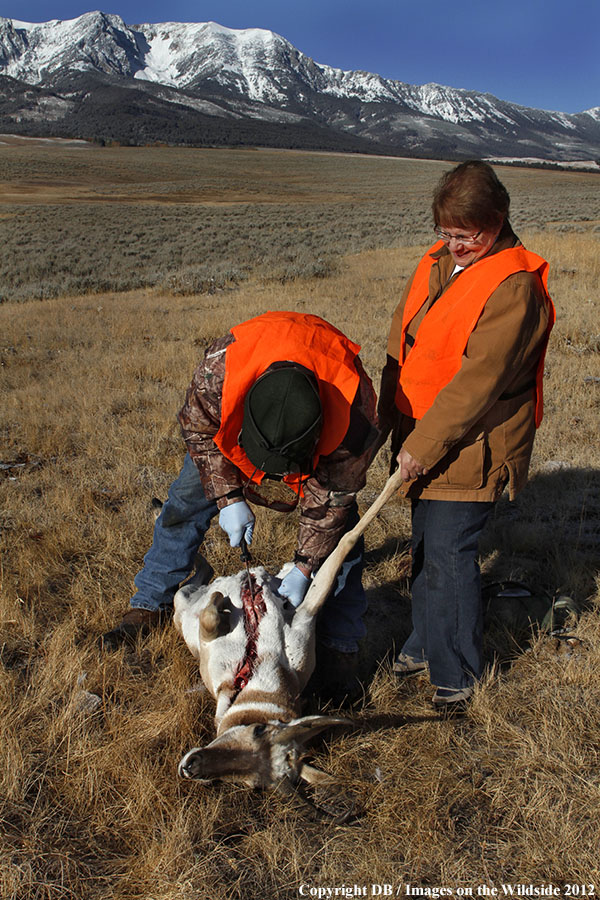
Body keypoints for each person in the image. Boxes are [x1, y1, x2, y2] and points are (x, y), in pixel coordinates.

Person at [101, 310, 378, 704]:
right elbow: (199, 432)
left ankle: (339, 645)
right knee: (185, 502)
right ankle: (150, 602)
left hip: (326, 440)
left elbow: (334, 497)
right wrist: (229, 497)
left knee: (344, 541)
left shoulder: (356, 411)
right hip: (227, 439)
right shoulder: (221, 370)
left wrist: (304, 567)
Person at [378, 160, 555, 715]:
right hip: (425, 436)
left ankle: (457, 679)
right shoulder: (437, 261)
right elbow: (401, 342)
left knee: (451, 555)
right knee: (426, 548)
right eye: (444, 231)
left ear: (496, 221)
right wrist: (386, 421)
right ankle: (422, 645)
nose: (451, 244)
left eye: (464, 234)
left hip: (473, 446)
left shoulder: (515, 288)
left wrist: (422, 446)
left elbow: (477, 385)